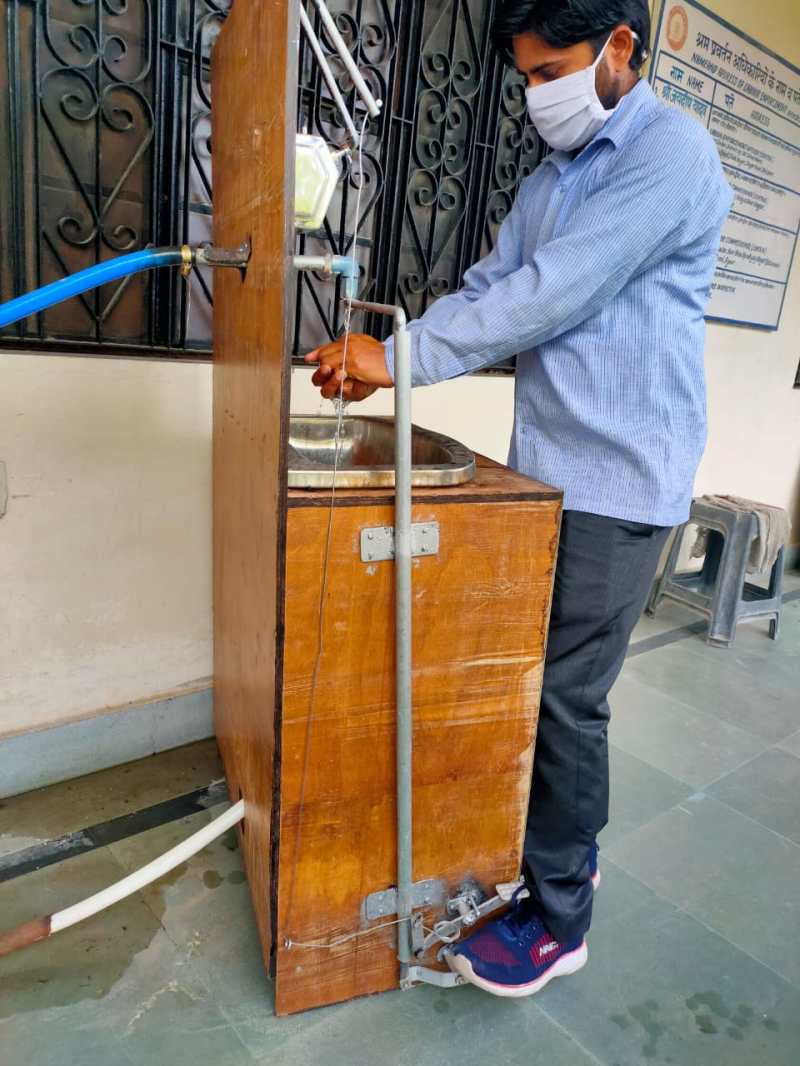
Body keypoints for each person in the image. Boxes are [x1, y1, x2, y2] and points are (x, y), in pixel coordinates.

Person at [306, 0, 732, 998]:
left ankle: (561, 917)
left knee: (563, 703)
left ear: (620, 47)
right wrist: (386, 360)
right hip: (543, 470)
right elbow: (494, 282)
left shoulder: (671, 155)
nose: (536, 95)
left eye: (553, 72)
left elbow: (556, 291)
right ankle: (528, 873)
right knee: (526, 692)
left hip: (621, 475)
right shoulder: (549, 182)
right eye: (527, 78)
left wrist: (400, 357)